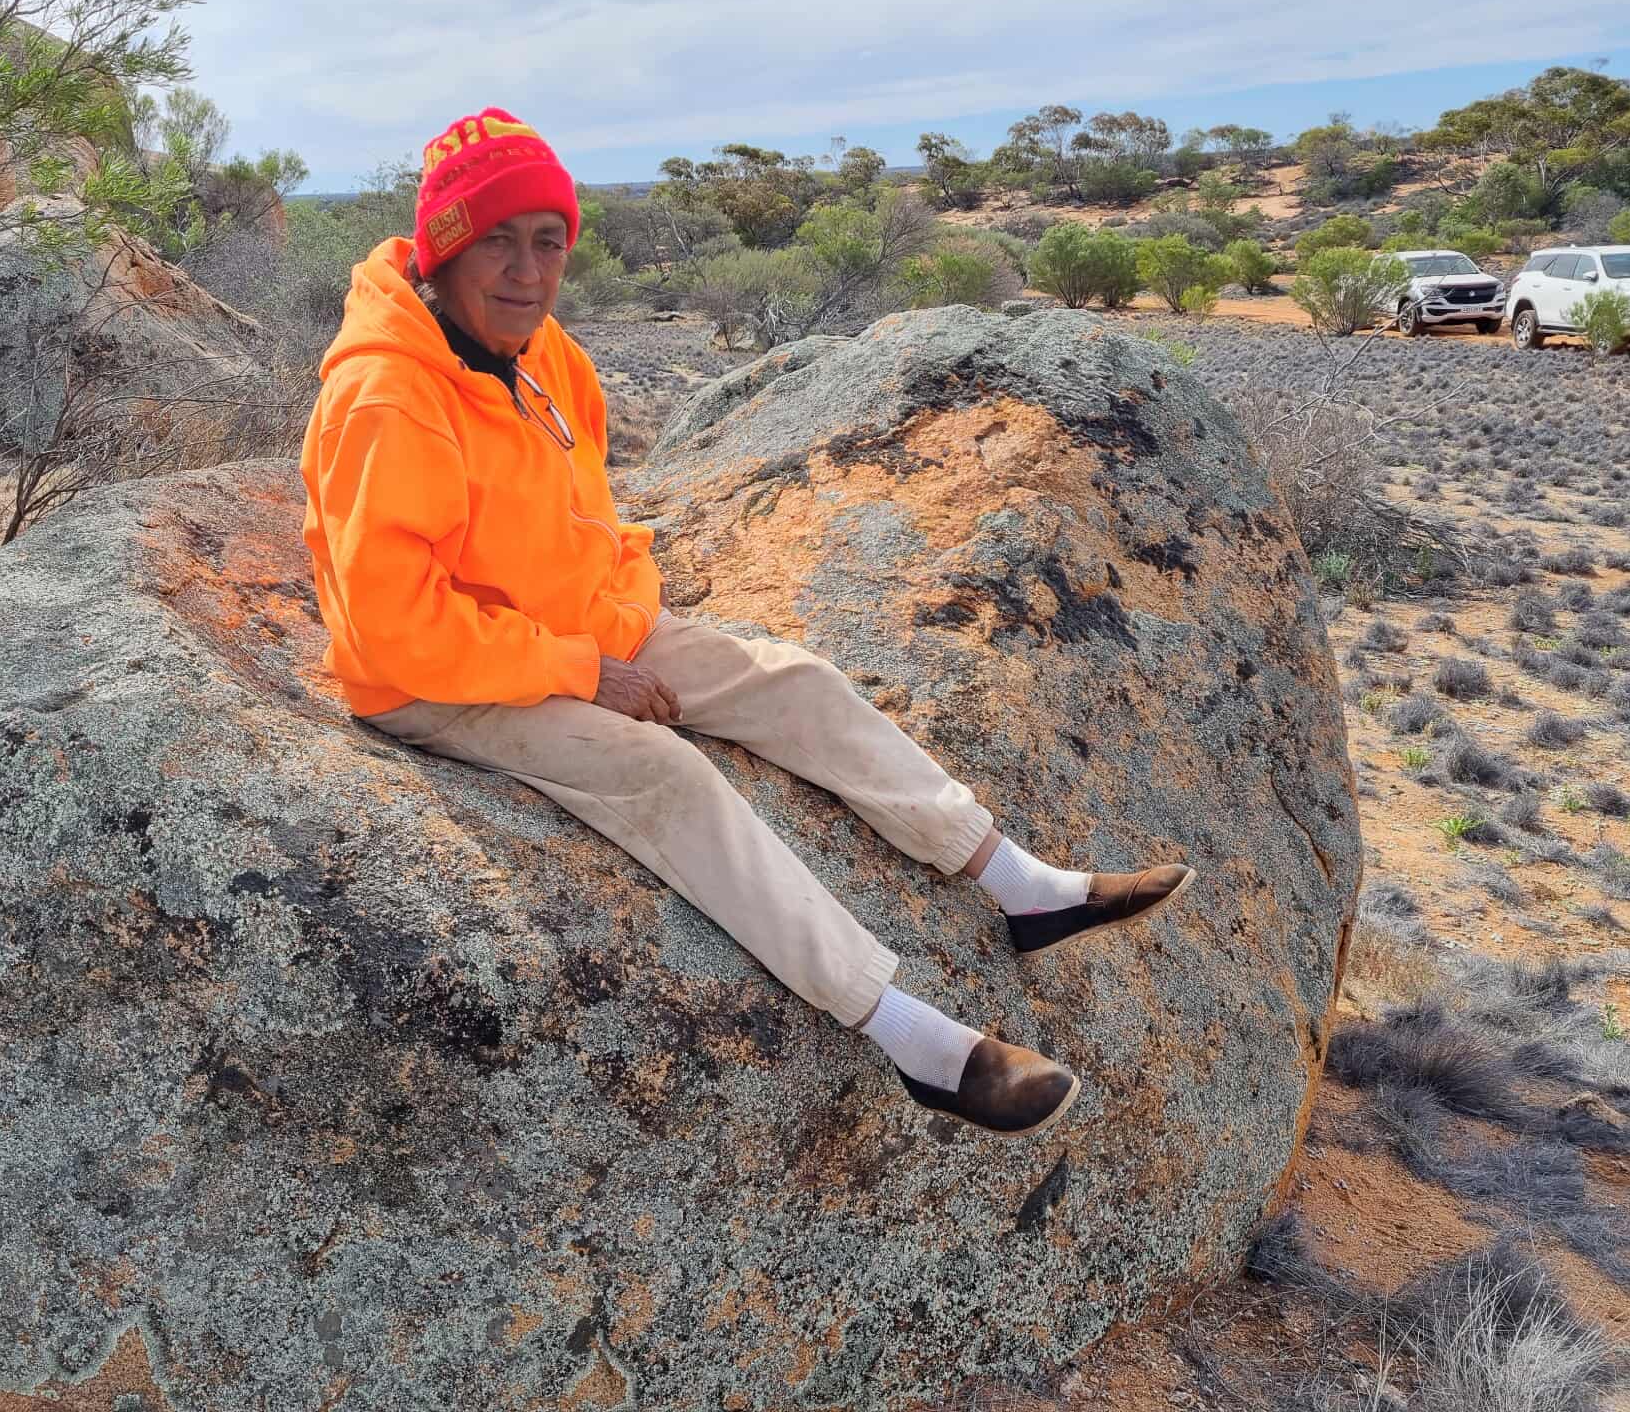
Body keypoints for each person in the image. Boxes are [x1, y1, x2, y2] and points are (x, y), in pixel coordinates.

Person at [300, 107, 1196, 1138]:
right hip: (436, 678)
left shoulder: (545, 354)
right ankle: (913, 1039)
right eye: (495, 240)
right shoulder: (385, 399)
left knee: (789, 680)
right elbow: (385, 627)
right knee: (665, 772)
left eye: (547, 240)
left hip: (570, 628)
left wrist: (620, 609)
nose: (526, 269)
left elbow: (585, 501)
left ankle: (1021, 884)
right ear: (443, 250)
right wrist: (579, 671)